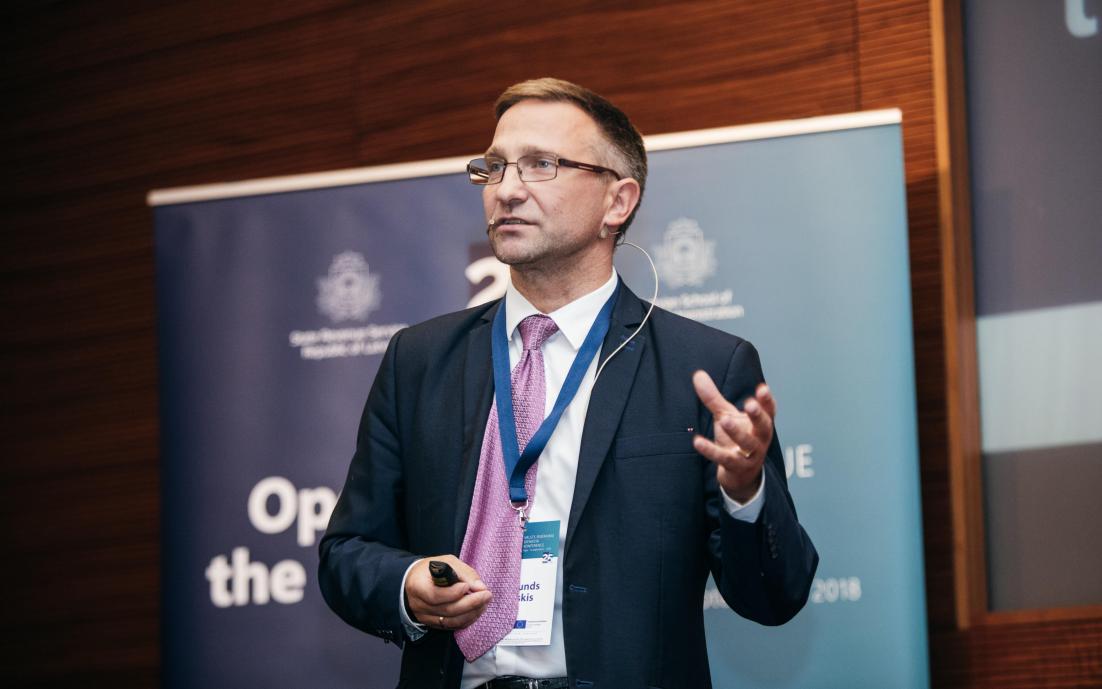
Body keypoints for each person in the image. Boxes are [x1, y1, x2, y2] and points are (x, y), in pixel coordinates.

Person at [319, 77, 818, 689]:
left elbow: (775, 596)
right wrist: (406, 585)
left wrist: (746, 493)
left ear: (617, 201)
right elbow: (347, 552)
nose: (507, 189)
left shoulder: (705, 367)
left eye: (541, 165)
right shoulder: (419, 360)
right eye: (494, 166)